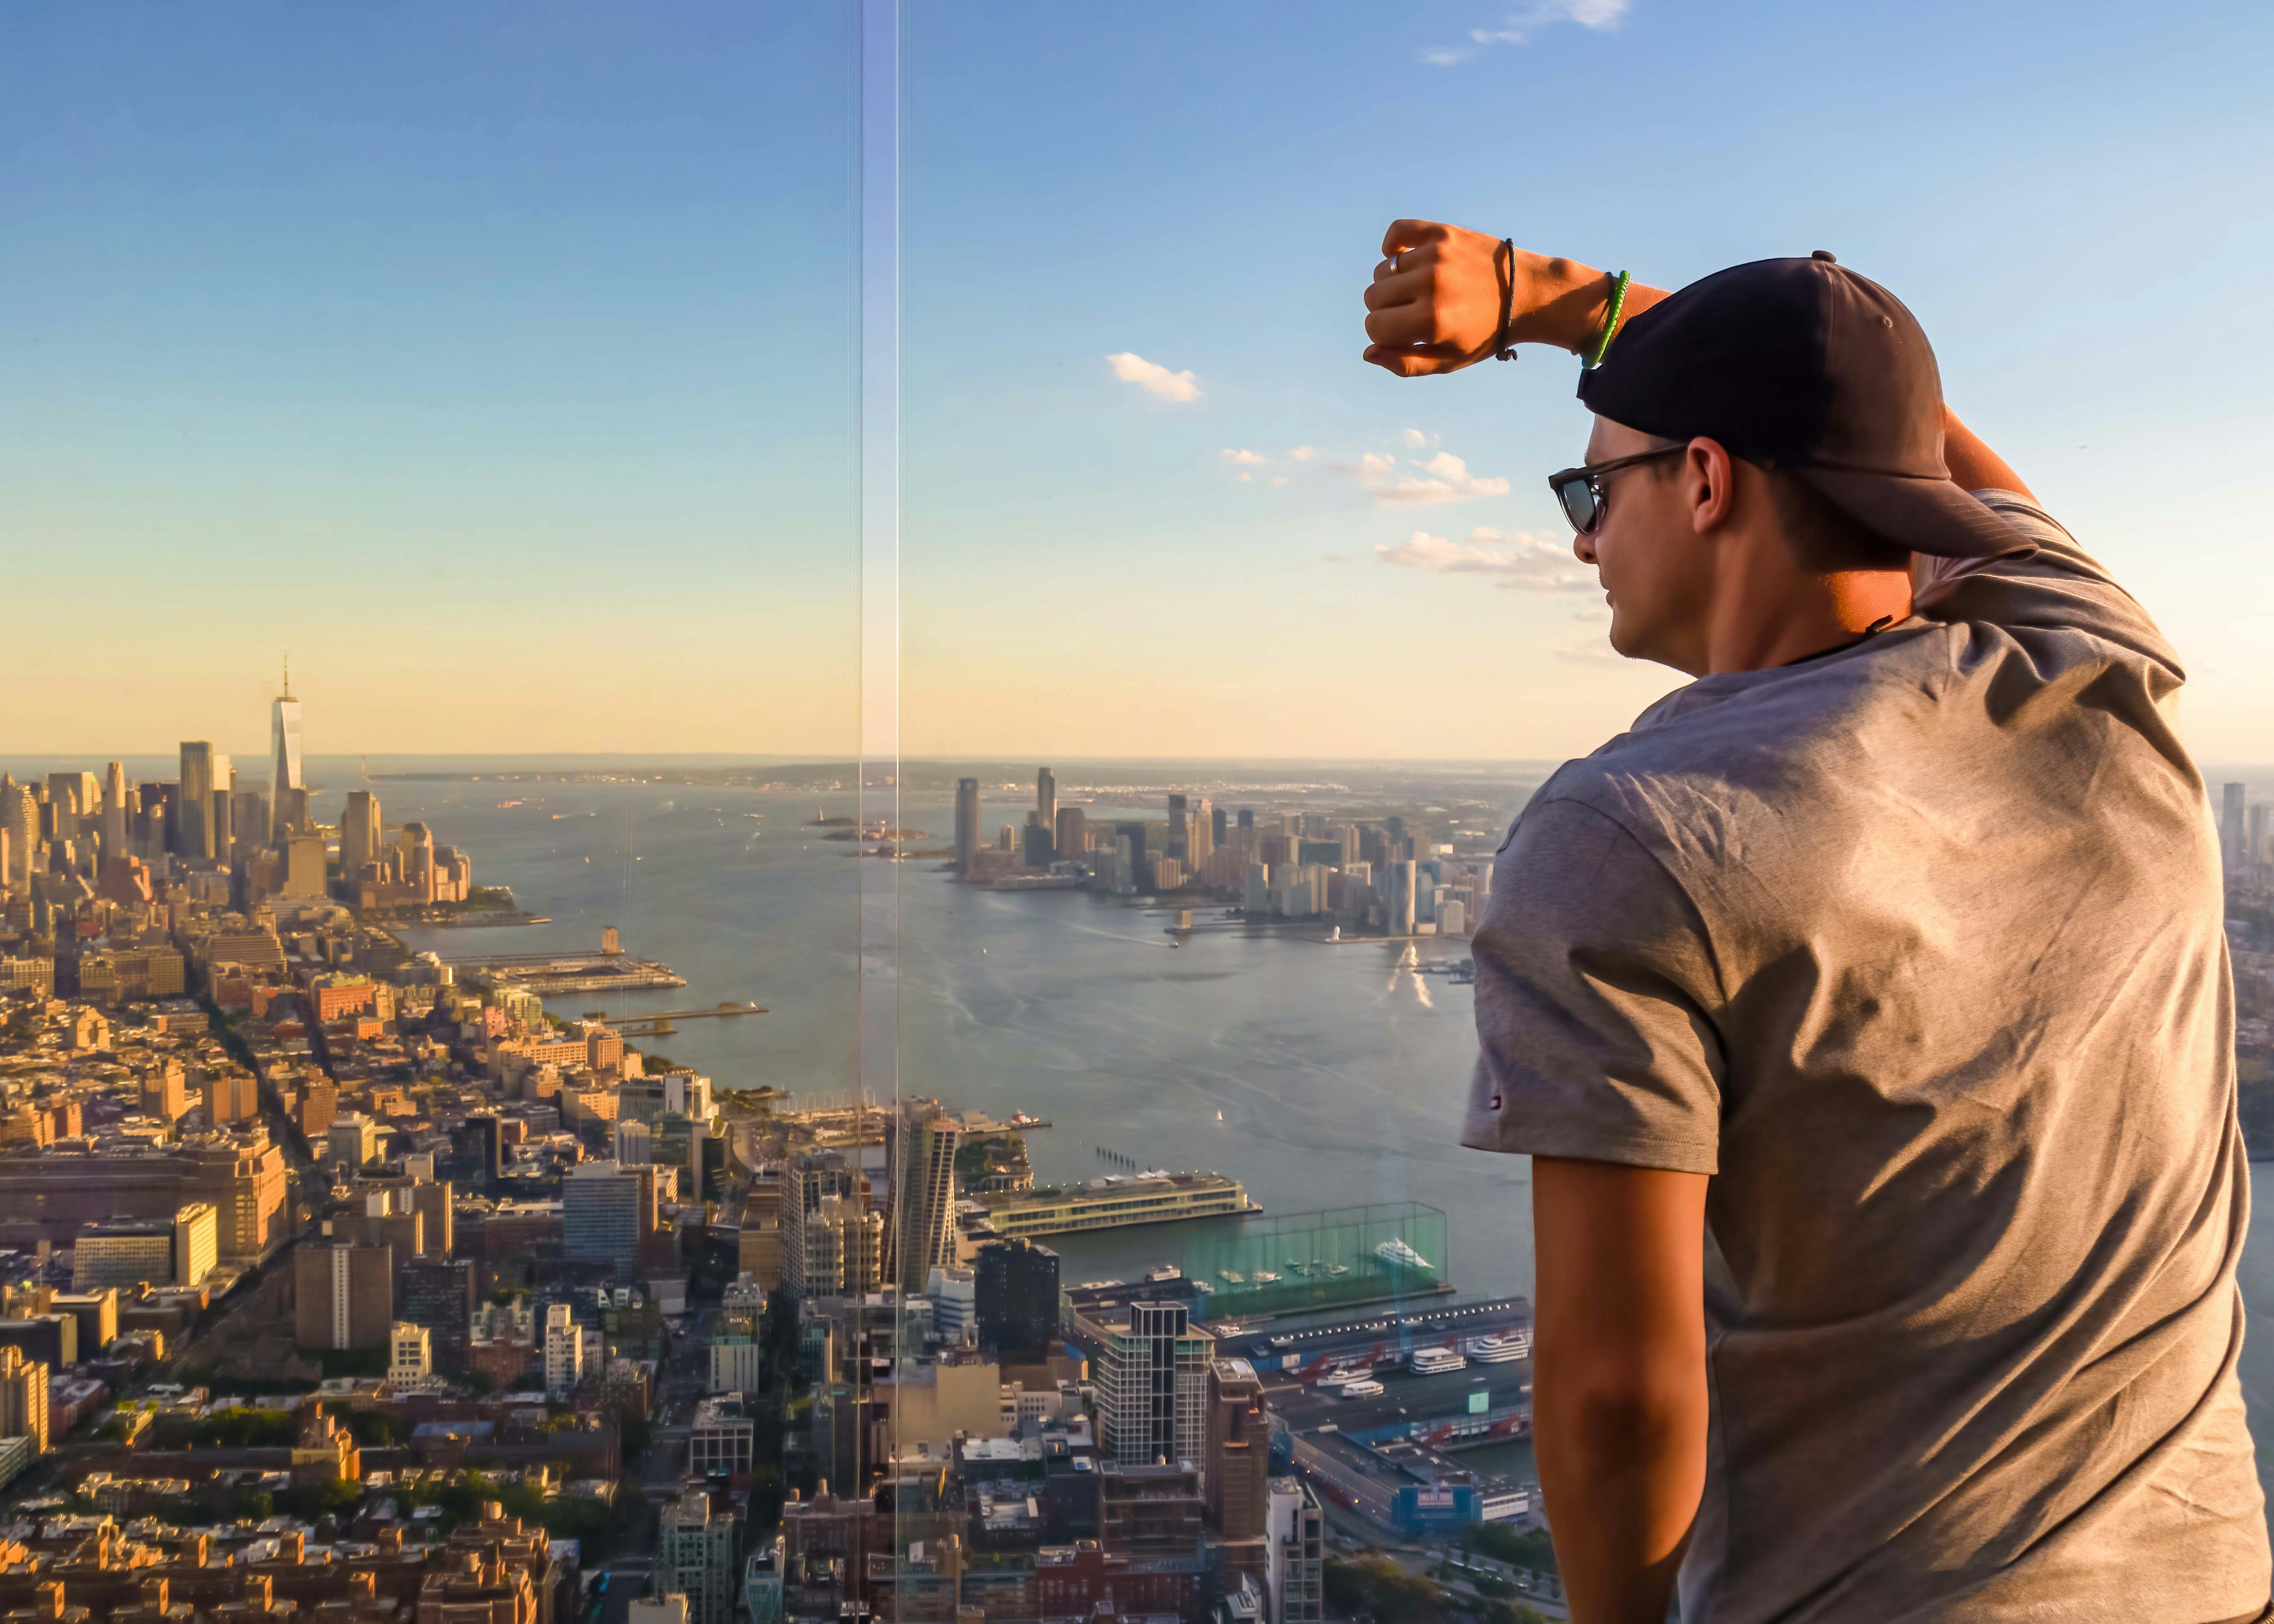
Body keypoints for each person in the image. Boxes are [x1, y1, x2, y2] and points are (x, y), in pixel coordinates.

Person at [1364, 220, 2270, 1622]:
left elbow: (1617, 1398)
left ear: (1708, 480)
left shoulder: (1631, 832)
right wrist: (1568, 304)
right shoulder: (2101, 671)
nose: (1588, 538)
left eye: (1591, 489)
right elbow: (1928, 465)